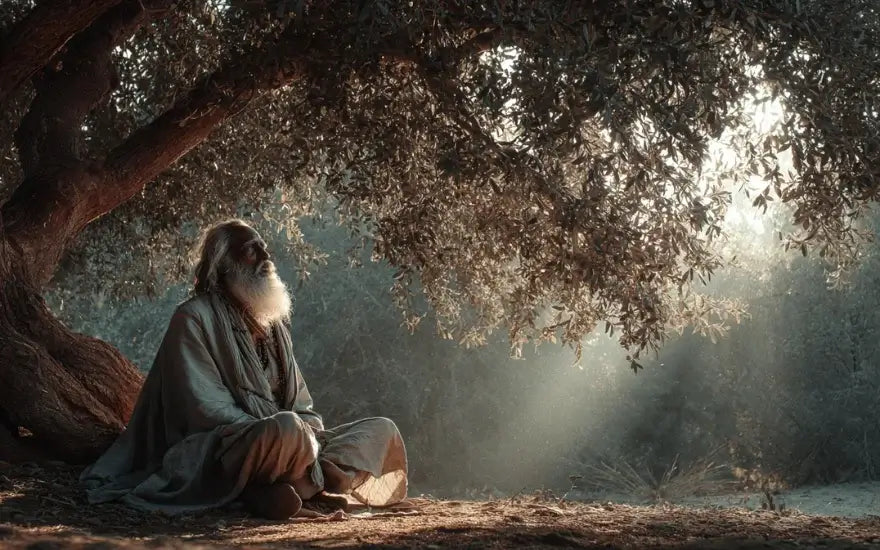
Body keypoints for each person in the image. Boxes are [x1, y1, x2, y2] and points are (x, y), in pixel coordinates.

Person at [81, 219, 408, 519]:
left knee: (381, 431)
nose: (267, 255)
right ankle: (295, 486)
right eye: (253, 250)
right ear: (225, 264)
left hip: (290, 442)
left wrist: (308, 435)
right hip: (224, 446)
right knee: (287, 429)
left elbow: (300, 401)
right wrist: (282, 433)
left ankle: (277, 488)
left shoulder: (273, 323)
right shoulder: (194, 318)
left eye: (265, 248)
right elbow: (205, 410)